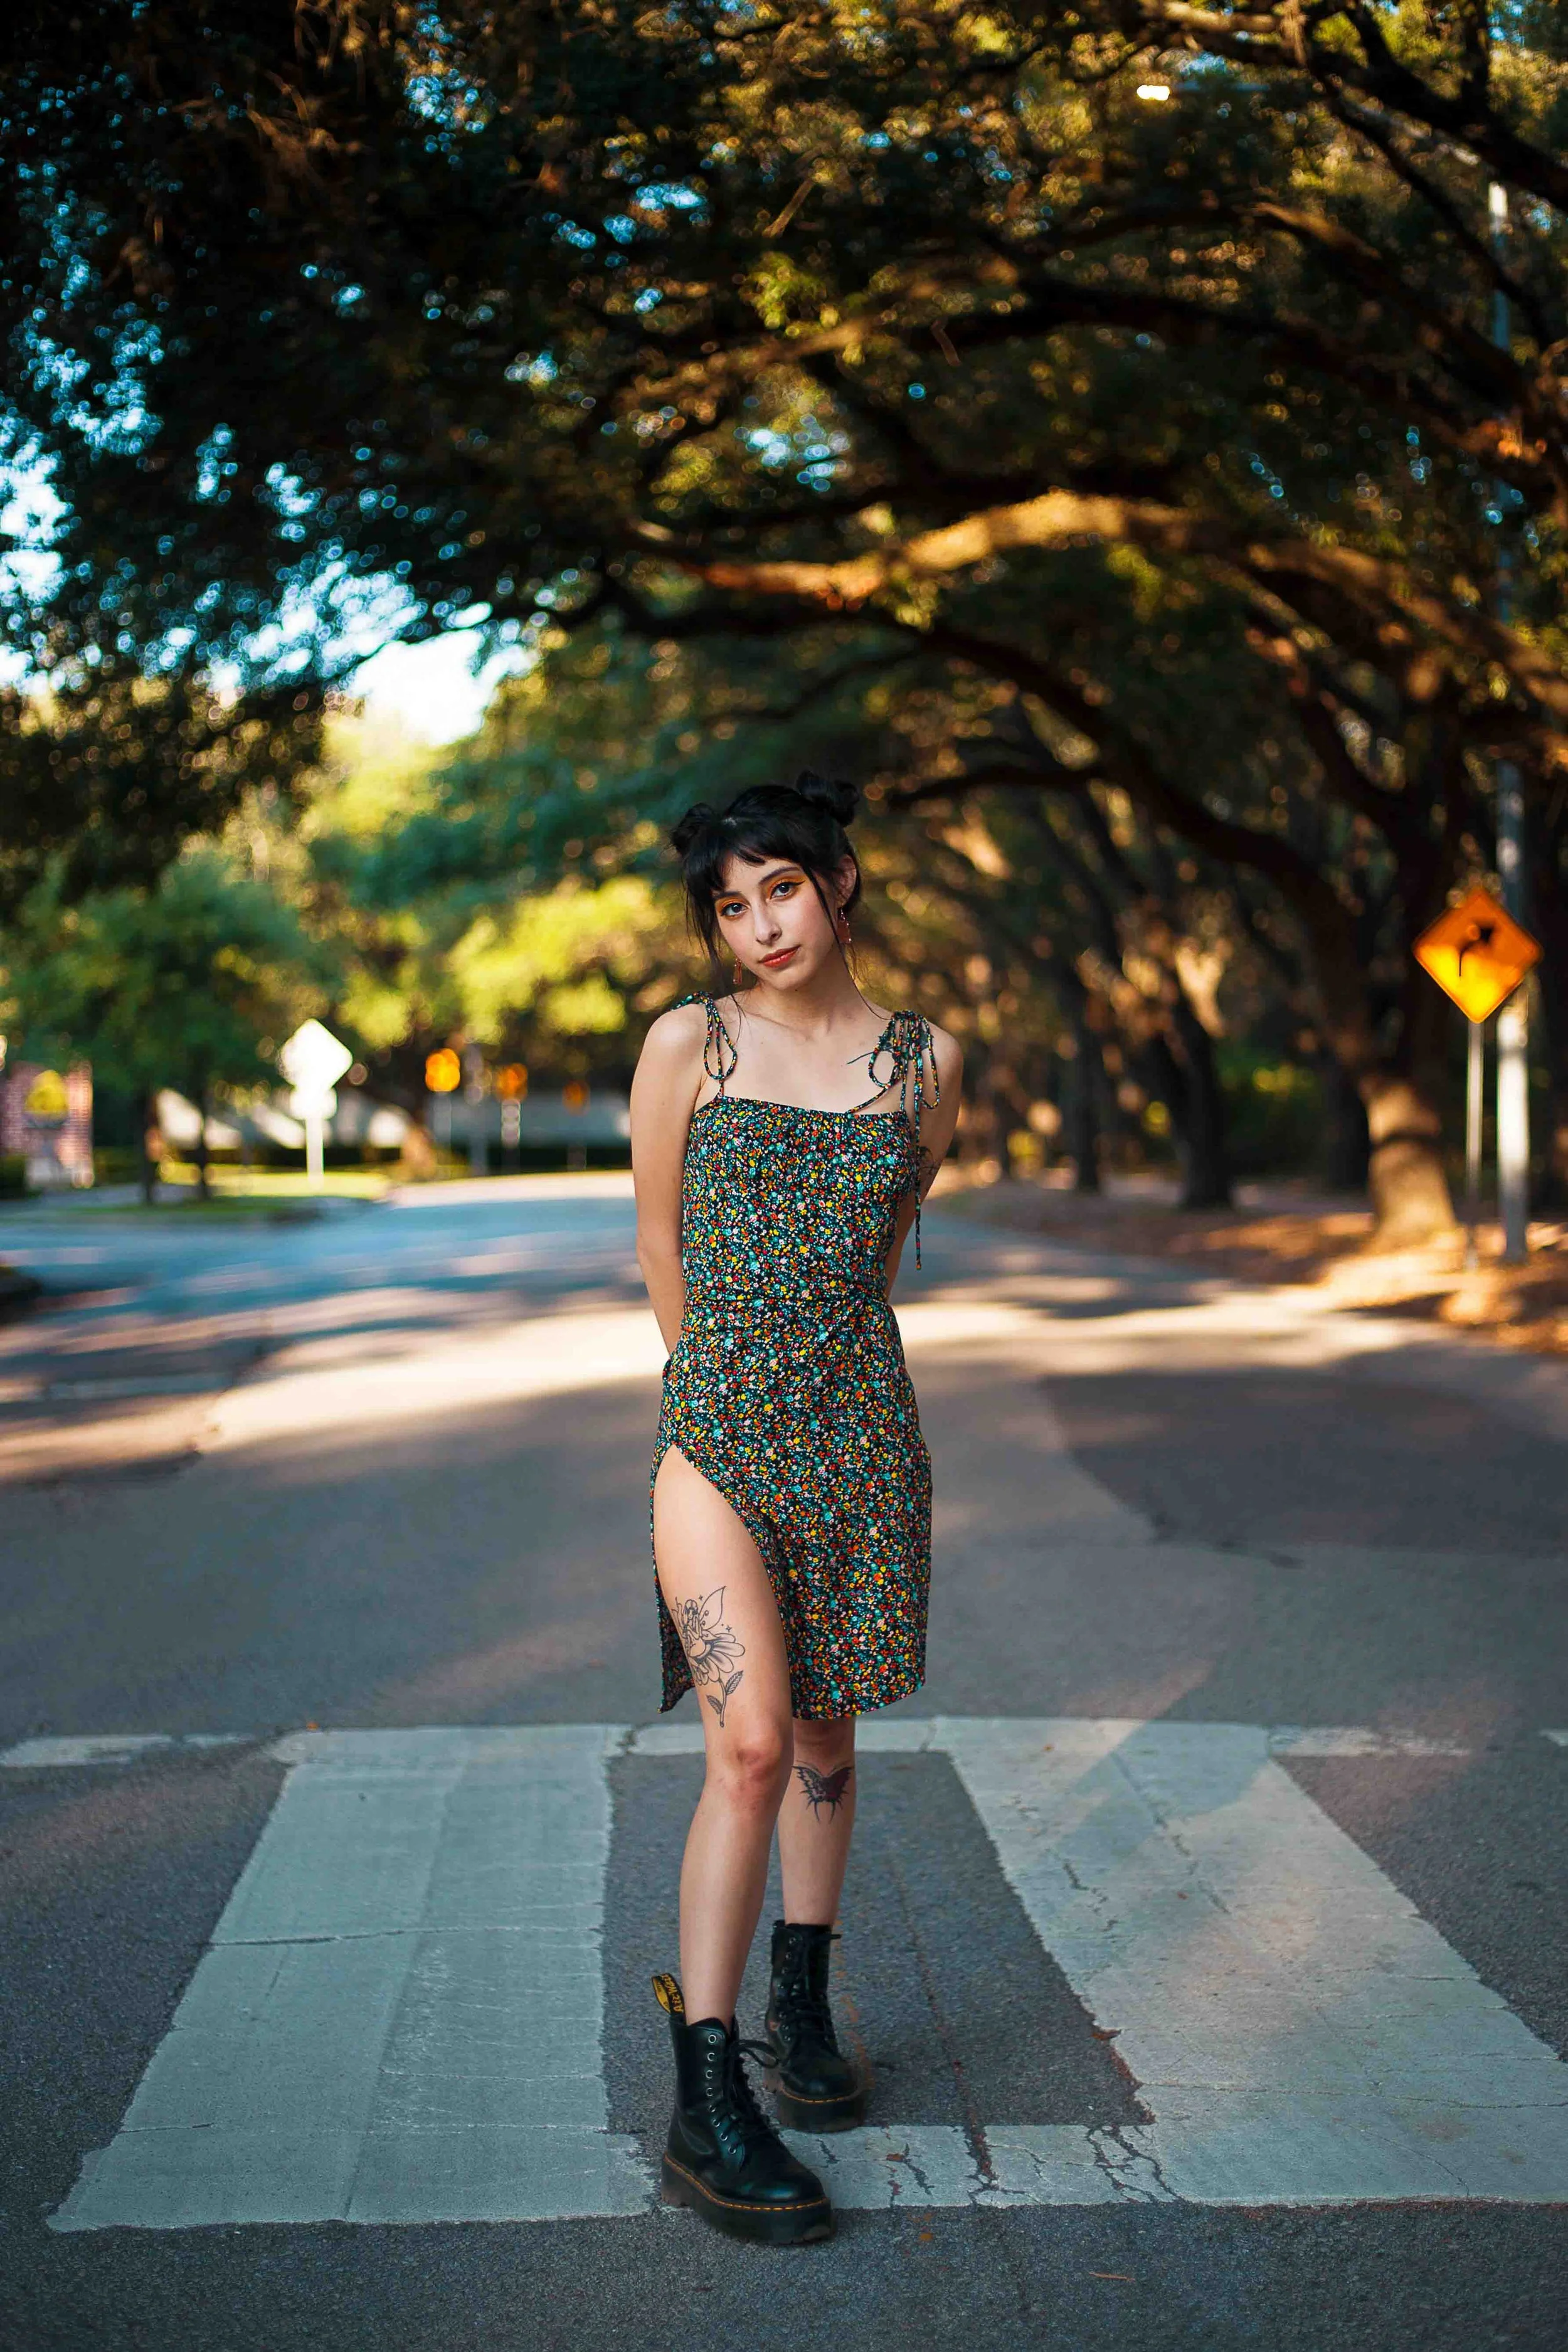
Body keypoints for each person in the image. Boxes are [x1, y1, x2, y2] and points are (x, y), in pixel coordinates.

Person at [628, 771, 963, 2245]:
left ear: (840, 884)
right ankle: (708, 2101)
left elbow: (890, 1247)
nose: (759, 924)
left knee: (827, 1730)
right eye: (730, 902)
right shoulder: (686, 1046)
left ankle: (803, 2004)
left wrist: (822, 1383)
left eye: (782, 887)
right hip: (713, 1446)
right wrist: (716, 1405)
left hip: (861, 1440)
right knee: (751, 1745)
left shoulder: (923, 1064)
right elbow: (657, 1247)